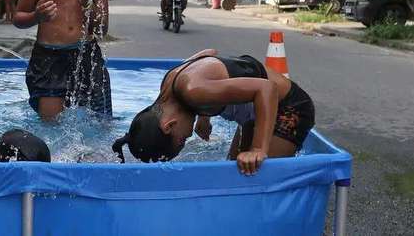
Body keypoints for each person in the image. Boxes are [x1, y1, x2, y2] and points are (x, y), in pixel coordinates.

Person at [112, 49, 315, 175]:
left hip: (289, 108)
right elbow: (209, 53)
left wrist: (258, 149)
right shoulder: (170, 83)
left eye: (181, 140)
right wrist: (204, 115)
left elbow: (267, 89)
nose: (188, 136)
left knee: (256, 179)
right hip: (257, 114)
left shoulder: (193, 91)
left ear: (169, 125)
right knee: (235, 175)